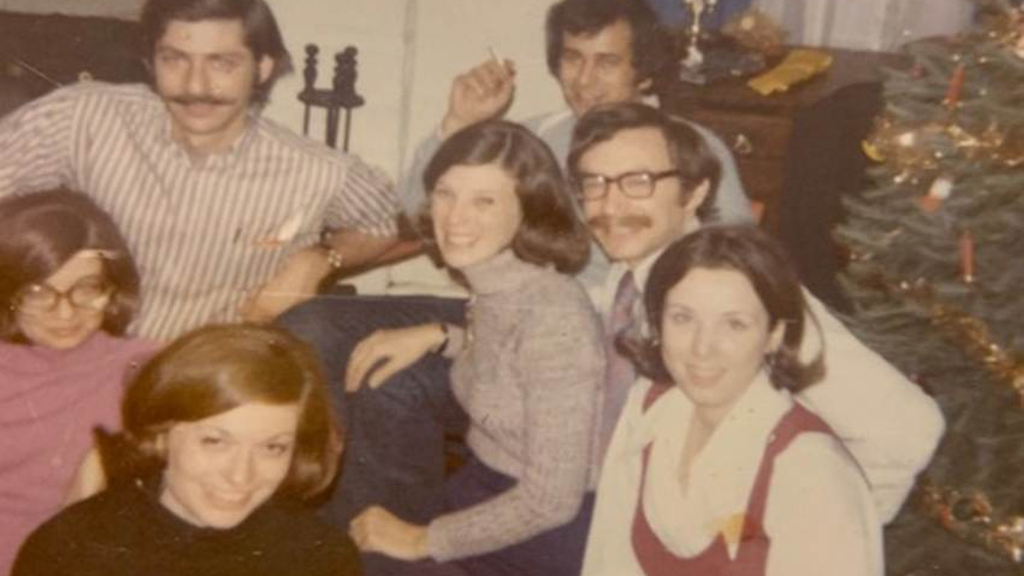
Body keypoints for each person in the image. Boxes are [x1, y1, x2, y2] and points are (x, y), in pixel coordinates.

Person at [568, 101, 944, 523]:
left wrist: (821, 535)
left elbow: (908, 428)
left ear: (695, 193)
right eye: (595, 183)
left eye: (638, 182)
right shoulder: (627, 278)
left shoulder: (743, 291)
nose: (610, 206)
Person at [0, 0, 400, 342]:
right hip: (75, 362)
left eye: (222, 63)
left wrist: (320, 259)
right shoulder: (82, 118)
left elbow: (384, 227)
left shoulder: (317, 171)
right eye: (175, 59)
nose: (196, 85)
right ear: (151, 61)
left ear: (262, 68)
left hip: (202, 379)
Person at [344, 120, 604, 576]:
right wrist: (441, 337)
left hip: (540, 536)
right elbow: (512, 361)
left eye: (484, 201)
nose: (455, 218)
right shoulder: (499, 284)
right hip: (480, 486)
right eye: (446, 194)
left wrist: (423, 540)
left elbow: (553, 500)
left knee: (370, 562)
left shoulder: (555, 313)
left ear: (530, 208)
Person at [582, 225, 882, 575]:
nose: (702, 348)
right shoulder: (649, 408)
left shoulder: (810, 471)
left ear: (774, 334)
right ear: (658, 321)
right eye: (683, 318)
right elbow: (608, 562)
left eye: (734, 324)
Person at [401, 0, 752, 284]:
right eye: (573, 58)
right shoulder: (534, 139)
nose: (584, 80)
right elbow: (418, 214)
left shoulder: (692, 146)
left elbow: (738, 267)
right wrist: (458, 122)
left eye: (607, 63)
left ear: (644, 73)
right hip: (524, 316)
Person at [12, 323, 361, 576]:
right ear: (161, 434)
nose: (241, 475)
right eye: (215, 441)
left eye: (272, 447)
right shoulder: (73, 552)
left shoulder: (320, 557)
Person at [0, 190, 158, 575]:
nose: (65, 313)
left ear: (113, 288)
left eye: (87, 288)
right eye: (38, 292)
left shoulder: (142, 366)